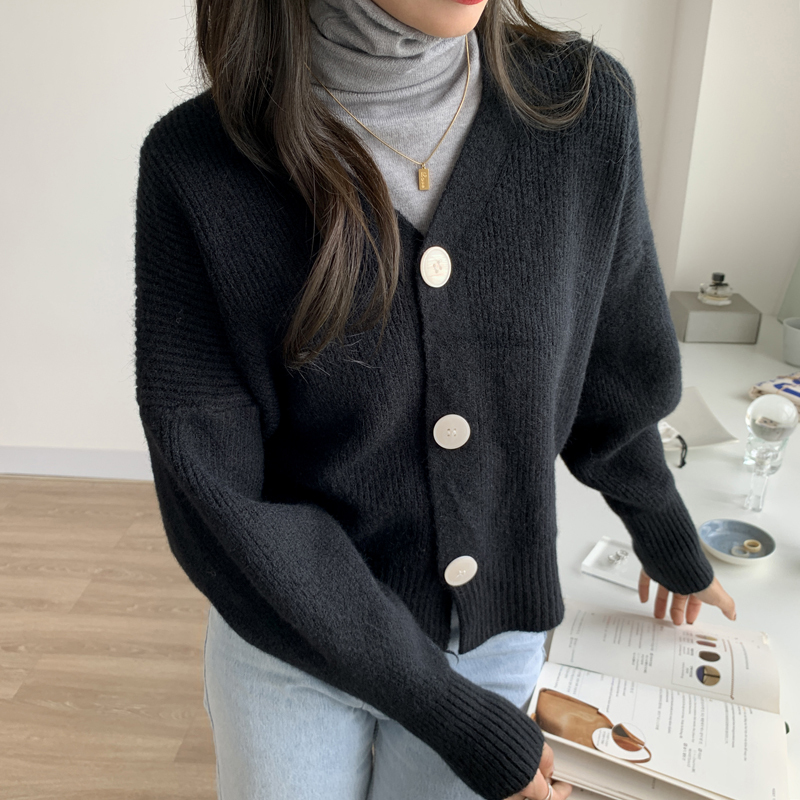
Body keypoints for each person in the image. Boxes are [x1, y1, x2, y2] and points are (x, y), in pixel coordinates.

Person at [132, 0, 736, 798]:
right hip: (290, 641)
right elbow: (220, 494)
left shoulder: (581, 111)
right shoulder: (198, 166)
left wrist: (661, 528)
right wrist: (454, 717)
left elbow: (612, 366)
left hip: (491, 636)